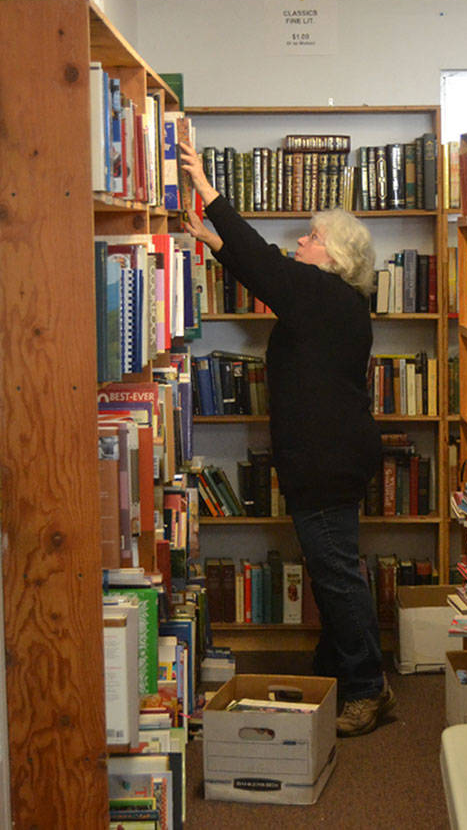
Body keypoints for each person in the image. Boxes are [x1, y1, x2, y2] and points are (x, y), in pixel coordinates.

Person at [177, 141, 393, 736]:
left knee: (337, 574)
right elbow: (263, 267)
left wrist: (209, 191)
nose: (299, 244)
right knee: (336, 570)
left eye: (310, 238)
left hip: (326, 459)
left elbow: (268, 267)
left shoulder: (322, 294)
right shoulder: (332, 300)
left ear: (334, 256)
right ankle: (345, 672)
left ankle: (367, 689)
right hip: (331, 455)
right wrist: (217, 241)